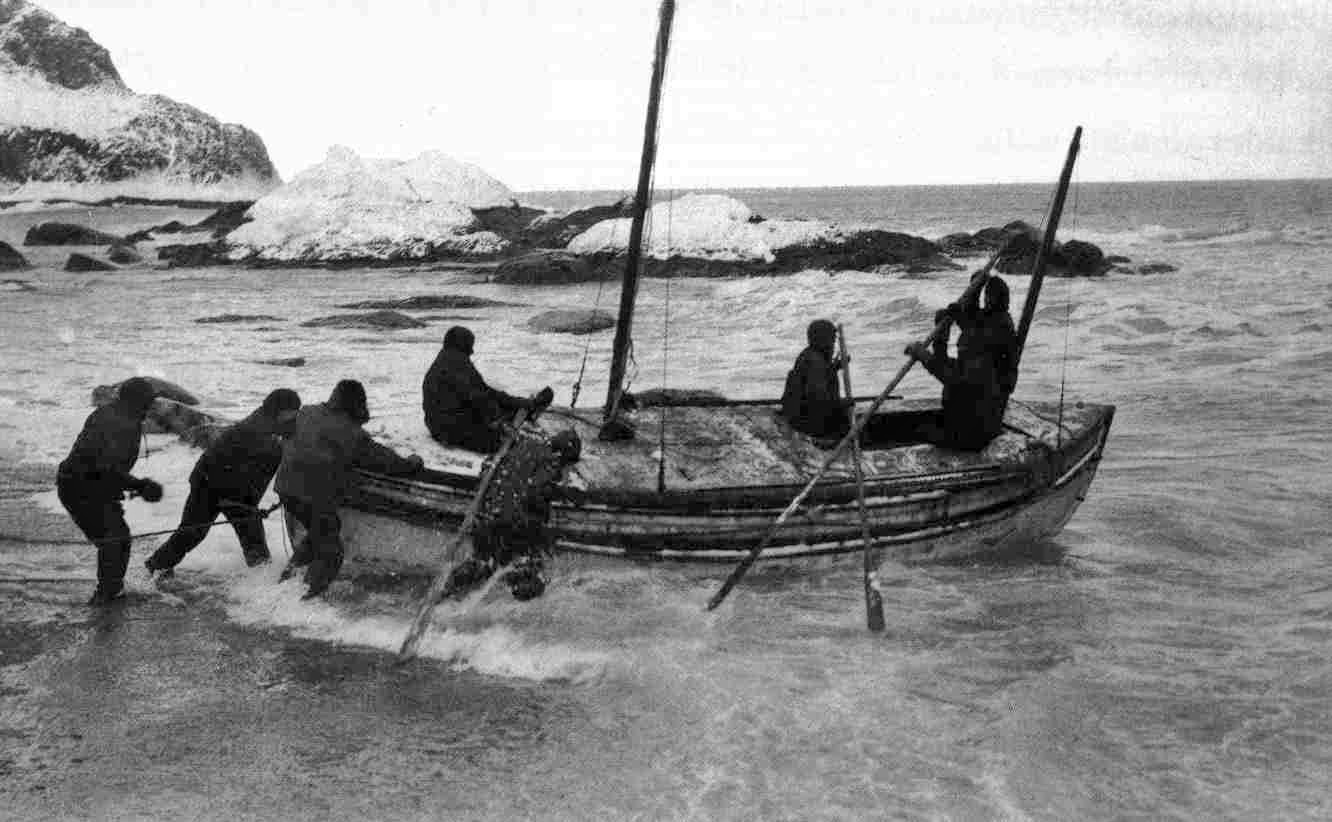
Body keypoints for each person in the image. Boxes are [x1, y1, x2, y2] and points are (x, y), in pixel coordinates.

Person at [275, 380, 423, 599]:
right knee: (332, 553)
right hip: (311, 494)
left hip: (285, 487)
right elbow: (385, 461)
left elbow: (286, 435)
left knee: (320, 533)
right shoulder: (351, 433)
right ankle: (299, 601)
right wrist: (412, 463)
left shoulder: (306, 412)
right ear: (356, 406)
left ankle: (281, 587)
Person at [144, 388, 302, 578]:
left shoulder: (273, 424)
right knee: (193, 532)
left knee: (247, 539)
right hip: (211, 483)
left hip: (230, 485)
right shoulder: (261, 432)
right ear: (282, 411)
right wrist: (250, 506)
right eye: (294, 410)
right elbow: (256, 475)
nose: (297, 415)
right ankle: (156, 565)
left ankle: (157, 564)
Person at [56, 376, 164, 605]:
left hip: (86, 485)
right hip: (81, 488)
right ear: (136, 402)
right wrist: (141, 486)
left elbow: (106, 469)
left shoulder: (116, 414)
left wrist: (134, 485)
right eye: (147, 402)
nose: (150, 408)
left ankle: (111, 590)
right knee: (115, 539)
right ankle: (106, 597)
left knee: (117, 539)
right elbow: (105, 468)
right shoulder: (121, 423)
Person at [443, 429, 582, 602]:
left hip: (485, 517)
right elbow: (535, 493)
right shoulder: (550, 461)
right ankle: (516, 605)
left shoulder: (520, 445)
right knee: (529, 574)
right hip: (512, 527)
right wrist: (564, 494)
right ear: (562, 455)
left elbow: (487, 468)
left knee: (483, 561)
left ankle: (448, 591)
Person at [903, 289, 1008, 451]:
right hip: (968, 421)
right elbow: (952, 366)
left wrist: (923, 356)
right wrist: (941, 336)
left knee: (918, 431)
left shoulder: (988, 342)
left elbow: (953, 379)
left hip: (971, 433)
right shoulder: (990, 333)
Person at [422, 325, 553, 453]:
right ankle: (525, 410)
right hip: (451, 431)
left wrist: (516, 402)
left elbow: (482, 391)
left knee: (499, 408)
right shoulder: (458, 364)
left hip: (437, 426)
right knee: (500, 441)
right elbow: (479, 398)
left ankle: (522, 407)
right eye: (469, 346)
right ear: (462, 345)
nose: (472, 351)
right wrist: (501, 421)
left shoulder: (446, 359)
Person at [780, 319, 848, 439]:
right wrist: (842, 404)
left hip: (798, 418)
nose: (833, 345)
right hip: (809, 424)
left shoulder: (808, 354)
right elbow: (817, 399)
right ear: (823, 341)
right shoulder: (816, 362)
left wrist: (835, 367)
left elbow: (821, 376)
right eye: (832, 341)